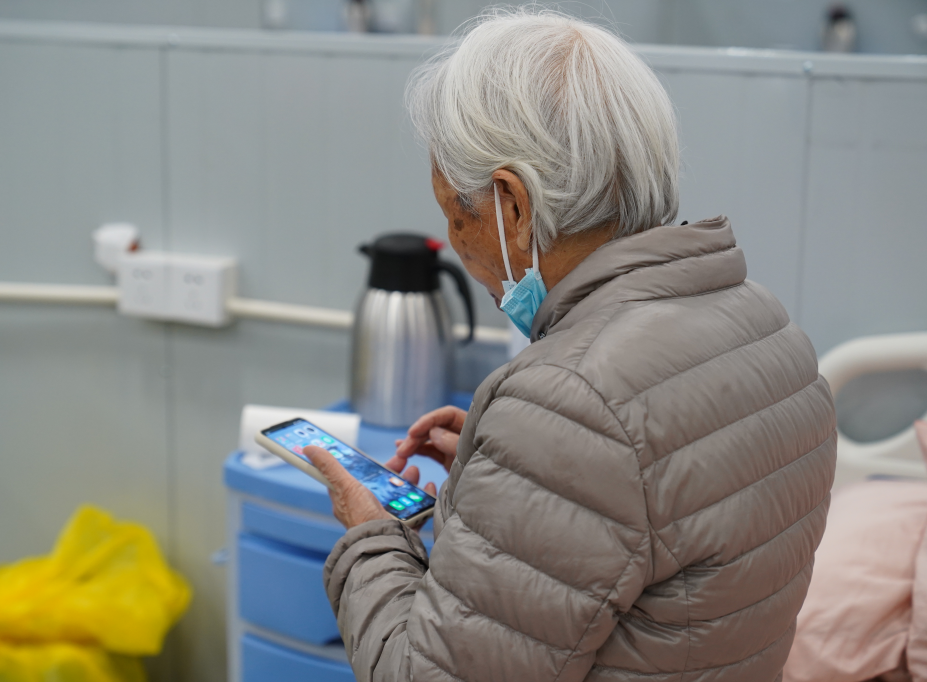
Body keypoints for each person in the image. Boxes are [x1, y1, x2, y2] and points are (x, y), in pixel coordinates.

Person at [305, 9, 836, 682]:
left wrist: (371, 537)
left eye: (455, 218)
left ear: (513, 206)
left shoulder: (570, 405)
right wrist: (510, 471)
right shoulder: (770, 330)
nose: (460, 246)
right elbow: (668, 524)